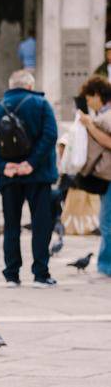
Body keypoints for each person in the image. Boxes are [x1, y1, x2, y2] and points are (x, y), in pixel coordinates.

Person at [0, 68, 59, 288]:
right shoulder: (41, 105)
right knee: (41, 225)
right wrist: (31, 163)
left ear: (11, 85)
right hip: (38, 175)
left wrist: (3, 165)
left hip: (9, 176)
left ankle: (11, 274)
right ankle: (40, 274)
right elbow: (51, 135)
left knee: (11, 224)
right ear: (30, 86)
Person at [77, 76, 111, 277]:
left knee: (107, 222)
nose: (88, 102)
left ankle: (106, 266)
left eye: (89, 98)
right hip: (106, 176)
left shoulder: (107, 116)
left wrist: (90, 125)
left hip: (109, 177)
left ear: (97, 96)